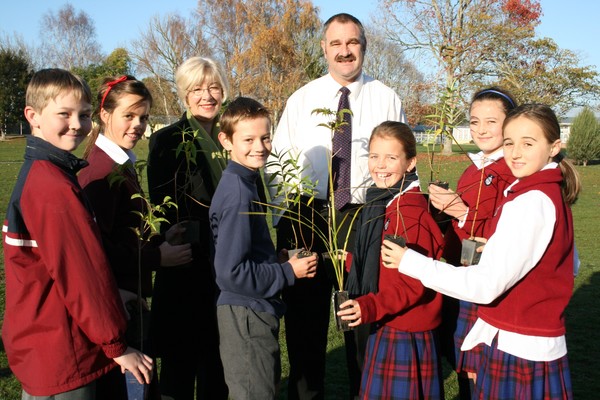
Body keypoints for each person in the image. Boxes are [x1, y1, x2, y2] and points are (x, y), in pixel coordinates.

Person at [382, 103, 580, 399]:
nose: (515, 152)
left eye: (528, 143)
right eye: (510, 142)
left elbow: (484, 287)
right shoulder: (546, 192)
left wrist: (410, 261)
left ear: (554, 146)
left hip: (520, 348)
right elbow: (568, 263)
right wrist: (498, 247)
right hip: (531, 343)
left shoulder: (530, 201)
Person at [267, 13, 406, 399]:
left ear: (364, 46)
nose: (345, 52)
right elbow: (279, 164)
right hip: (305, 216)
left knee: (361, 317)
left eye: (353, 43)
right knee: (305, 325)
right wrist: (285, 223)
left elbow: (403, 163)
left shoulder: (387, 98)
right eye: (336, 44)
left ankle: (365, 390)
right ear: (324, 49)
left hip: (362, 215)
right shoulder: (302, 99)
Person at [2, 68, 153, 399]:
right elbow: (81, 274)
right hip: (62, 352)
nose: (76, 123)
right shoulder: (52, 186)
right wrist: (116, 344)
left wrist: (115, 295)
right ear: (33, 116)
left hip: (50, 343)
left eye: (83, 115)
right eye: (64, 114)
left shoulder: (47, 172)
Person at [78, 75, 193, 399]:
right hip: (116, 310)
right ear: (105, 114)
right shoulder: (100, 172)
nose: (138, 125)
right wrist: (158, 257)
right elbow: (95, 250)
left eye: (143, 117)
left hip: (128, 305)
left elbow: (123, 230)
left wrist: (160, 237)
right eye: (128, 115)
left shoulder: (120, 162)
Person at [209, 97, 318, 400]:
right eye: (248, 139)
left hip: (252, 310)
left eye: (265, 137)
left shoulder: (246, 181)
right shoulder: (238, 194)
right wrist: (287, 272)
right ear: (226, 140)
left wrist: (275, 259)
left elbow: (242, 253)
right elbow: (231, 272)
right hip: (245, 314)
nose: (260, 146)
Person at [338, 121, 445, 399]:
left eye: (391, 157)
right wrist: (352, 260)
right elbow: (385, 263)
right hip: (390, 322)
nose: (380, 165)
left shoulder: (408, 212)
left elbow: (414, 284)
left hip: (405, 329)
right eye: (374, 156)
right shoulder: (384, 201)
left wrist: (370, 306)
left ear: (410, 163)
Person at [147, 56, 229, 400]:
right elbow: (163, 206)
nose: (206, 95)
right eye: (197, 89)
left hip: (226, 266)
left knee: (218, 364)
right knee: (180, 368)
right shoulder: (168, 139)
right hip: (186, 263)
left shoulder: (232, 136)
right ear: (184, 94)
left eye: (212, 87)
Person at [427, 87, 516, 398]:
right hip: (458, 275)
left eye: (491, 121)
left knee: (481, 366)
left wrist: (463, 213)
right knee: (462, 360)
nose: (481, 129)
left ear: (510, 124)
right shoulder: (472, 168)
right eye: (475, 121)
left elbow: (508, 231)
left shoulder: (511, 171)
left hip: (486, 283)